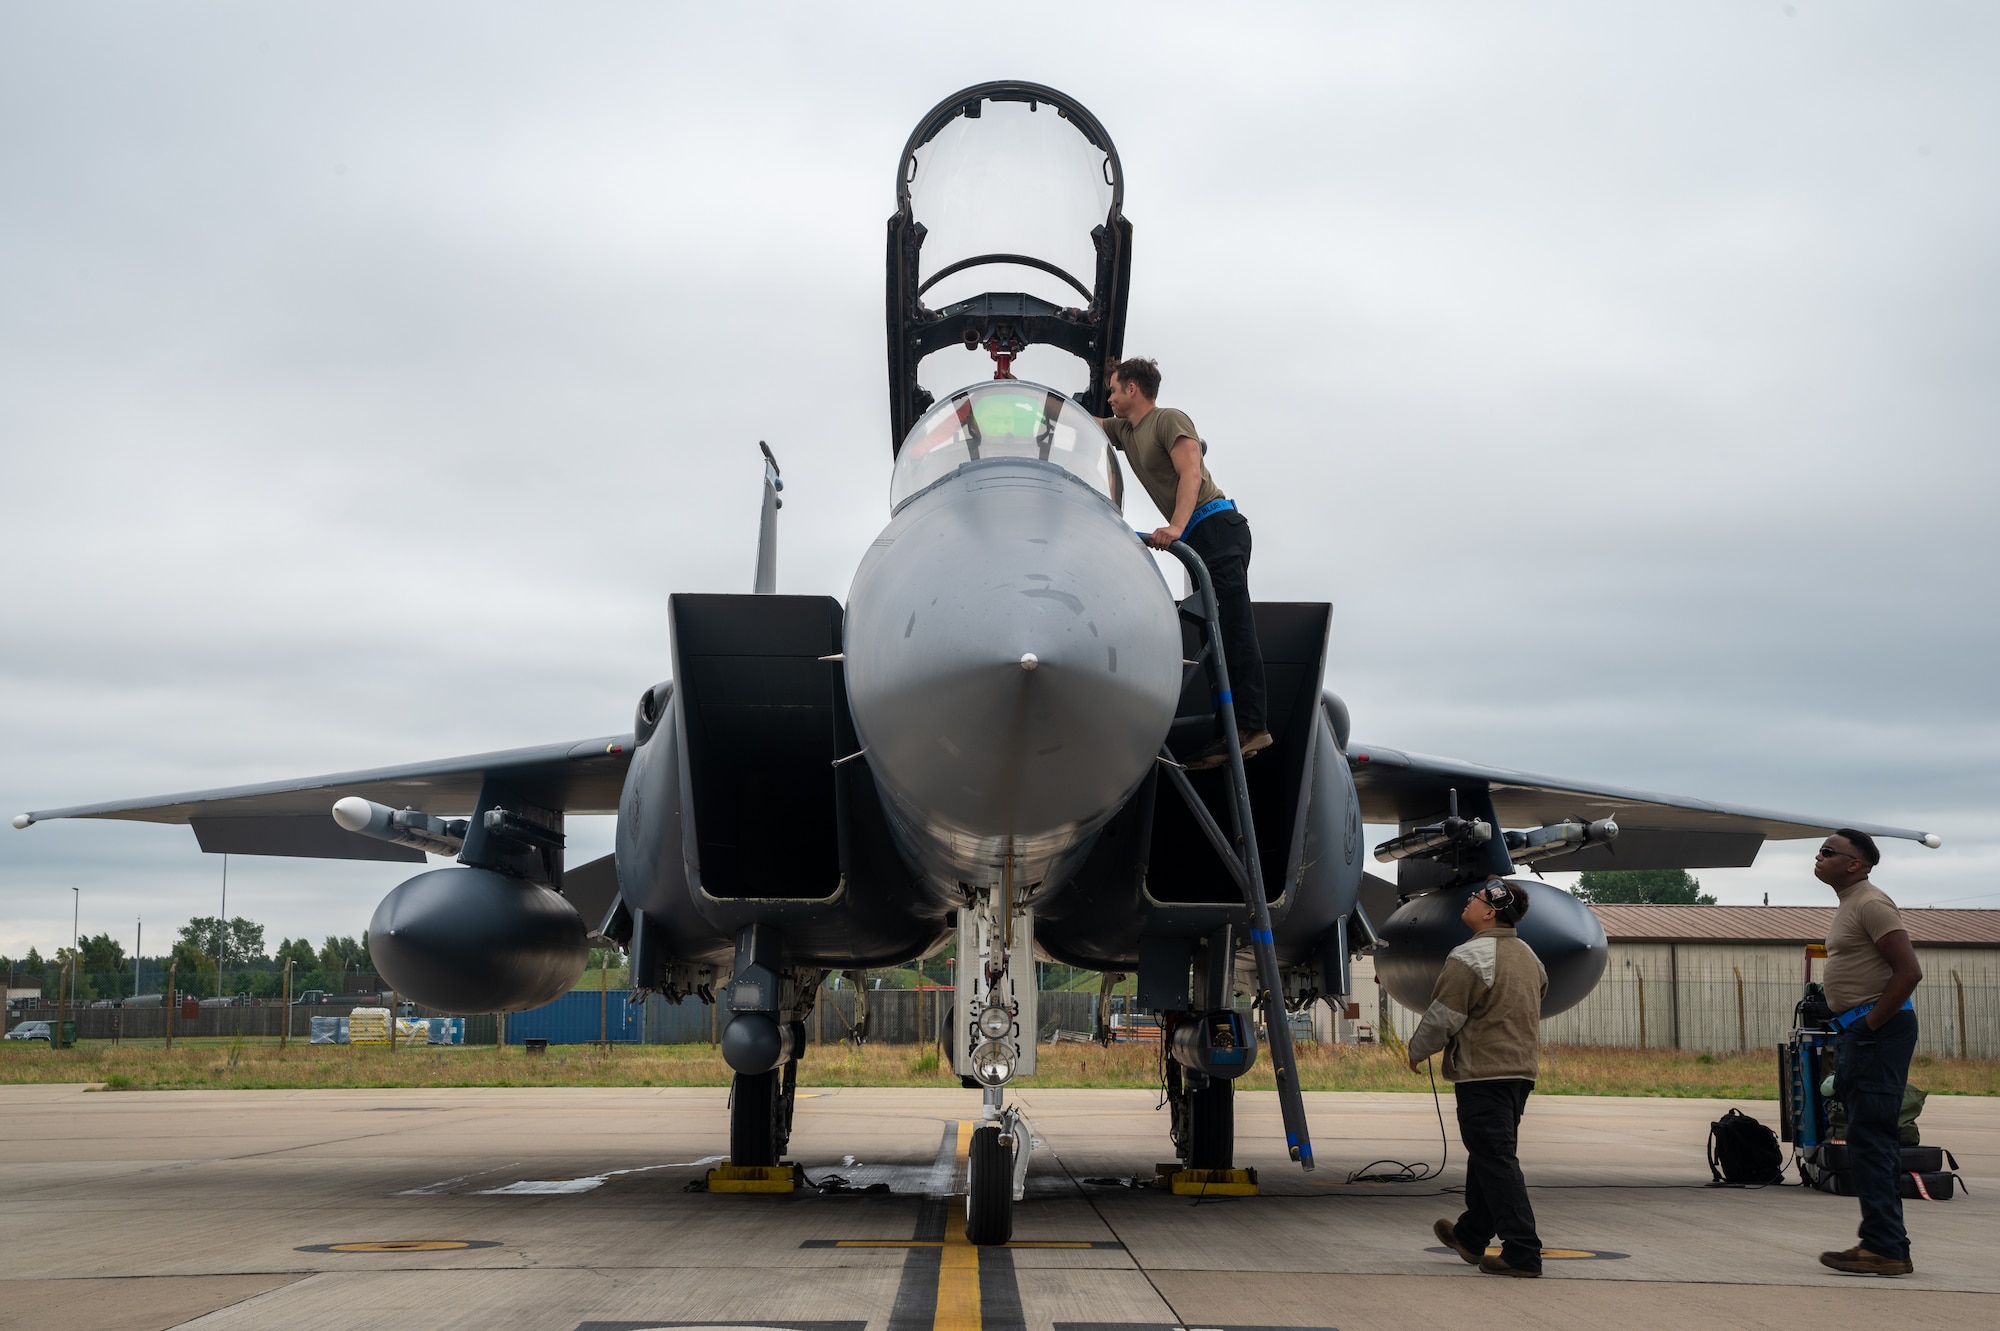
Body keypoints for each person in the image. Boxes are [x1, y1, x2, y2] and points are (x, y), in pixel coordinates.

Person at [1097, 357, 1269, 769]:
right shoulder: (1125, 429)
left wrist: (1174, 526)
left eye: (1115, 389)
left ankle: (1252, 725)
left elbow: (1190, 474)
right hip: (1196, 538)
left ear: (1133, 389)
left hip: (1216, 527)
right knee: (1212, 631)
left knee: (1233, 623)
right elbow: (1080, 420)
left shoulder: (1168, 420)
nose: (1110, 397)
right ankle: (1228, 732)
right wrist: (1017, 385)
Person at [1407, 879, 1549, 1278]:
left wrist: (1418, 1050)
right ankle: (1471, 1236)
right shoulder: (1529, 957)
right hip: (1519, 1074)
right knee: (1488, 1158)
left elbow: (1444, 1017)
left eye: (1477, 898)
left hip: (1482, 1075)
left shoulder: (1470, 957)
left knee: (1496, 1161)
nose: (1469, 901)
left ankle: (1522, 1252)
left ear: (1490, 912)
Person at [1815, 828, 1923, 1277]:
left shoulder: (1871, 903)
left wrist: (1868, 1024)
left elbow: (1908, 971)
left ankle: (1886, 1249)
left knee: (1873, 1137)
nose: (1818, 858)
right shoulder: (1850, 903)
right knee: (1865, 1138)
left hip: (1876, 1032)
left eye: (1827, 852)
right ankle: (1880, 1242)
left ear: (1855, 863)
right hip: (1862, 1032)